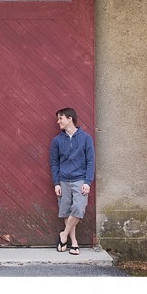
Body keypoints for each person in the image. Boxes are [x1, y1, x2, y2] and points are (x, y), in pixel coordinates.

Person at [49, 107, 95, 255]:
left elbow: (91, 161)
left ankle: (64, 234)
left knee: (79, 208)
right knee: (66, 211)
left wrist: (87, 181)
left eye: (60, 118)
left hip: (80, 179)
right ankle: (73, 243)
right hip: (63, 180)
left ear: (70, 119)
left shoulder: (86, 138)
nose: (58, 121)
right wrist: (56, 183)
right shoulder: (57, 141)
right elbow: (54, 163)